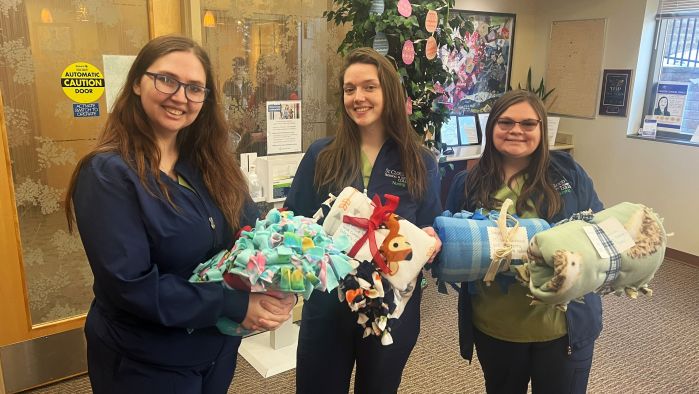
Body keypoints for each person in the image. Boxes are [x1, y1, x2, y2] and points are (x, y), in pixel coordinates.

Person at [64, 35, 295, 394]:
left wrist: (284, 282)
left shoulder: (210, 165)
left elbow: (253, 231)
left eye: (195, 88)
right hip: (146, 361)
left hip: (213, 351)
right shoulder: (108, 174)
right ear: (138, 82)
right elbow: (132, 286)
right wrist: (235, 304)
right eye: (167, 80)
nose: (180, 97)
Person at [285, 47, 443, 393]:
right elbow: (294, 221)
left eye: (369, 87)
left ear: (388, 90)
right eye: (349, 89)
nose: (358, 97)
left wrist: (432, 241)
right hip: (327, 308)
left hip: (390, 312)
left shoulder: (420, 162)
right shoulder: (321, 155)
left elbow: (433, 227)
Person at [445, 90, 603, 394]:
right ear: (491, 128)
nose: (516, 130)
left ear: (542, 130)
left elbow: (598, 230)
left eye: (528, 124)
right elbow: (453, 244)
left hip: (562, 328)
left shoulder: (569, 173)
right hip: (497, 327)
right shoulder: (468, 184)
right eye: (505, 122)